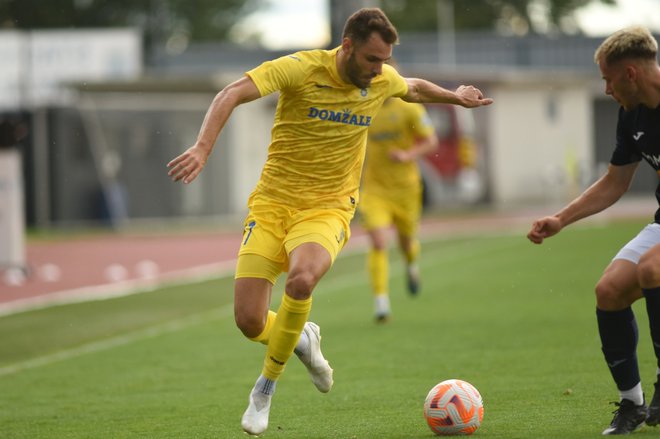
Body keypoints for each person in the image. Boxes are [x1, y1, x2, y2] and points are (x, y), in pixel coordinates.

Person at [167, 8, 492, 436]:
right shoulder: (300, 69)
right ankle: (301, 338)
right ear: (348, 47)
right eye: (373, 60)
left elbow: (411, 88)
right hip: (271, 206)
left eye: (386, 61)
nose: (381, 70)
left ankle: (264, 390)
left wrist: (456, 97)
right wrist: (203, 148)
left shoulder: (380, 80)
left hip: (328, 208)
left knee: (301, 281)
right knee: (248, 320)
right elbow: (231, 92)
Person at [527, 26, 660, 435]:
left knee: (652, 270)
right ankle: (632, 403)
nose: (606, 89)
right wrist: (561, 219)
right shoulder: (631, 114)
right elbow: (616, 182)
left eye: (608, 78)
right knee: (609, 291)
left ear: (631, 74)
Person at [358, 80, 439, 322]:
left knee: (406, 243)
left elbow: (431, 141)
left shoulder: (410, 108)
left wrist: (407, 155)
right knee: (379, 242)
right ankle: (381, 304)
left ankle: (411, 265)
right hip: (375, 190)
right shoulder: (365, 108)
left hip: (406, 189)